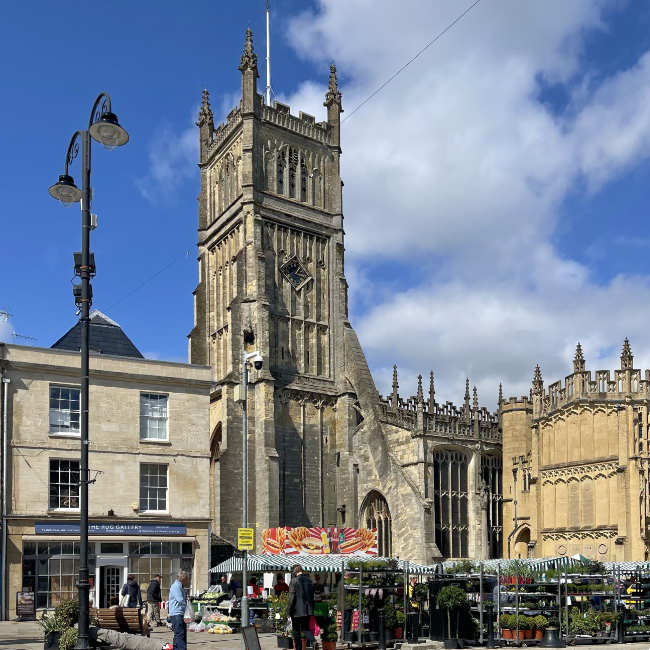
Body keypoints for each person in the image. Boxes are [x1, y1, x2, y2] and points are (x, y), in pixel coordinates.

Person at [288, 564, 314, 650]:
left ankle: (299, 648)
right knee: (306, 629)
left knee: (296, 631)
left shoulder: (293, 581)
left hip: (296, 611)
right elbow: (312, 596)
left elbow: (291, 598)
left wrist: (289, 611)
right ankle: (312, 645)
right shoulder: (309, 581)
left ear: (295, 572)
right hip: (307, 610)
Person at [169, 570, 189, 650]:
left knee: (179, 634)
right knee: (180, 634)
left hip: (179, 613)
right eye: (187, 579)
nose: (187, 581)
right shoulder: (176, 586)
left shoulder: (179, 586)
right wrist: (187, 604)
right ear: (183, 579)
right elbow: (180, 599)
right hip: (177, 613)